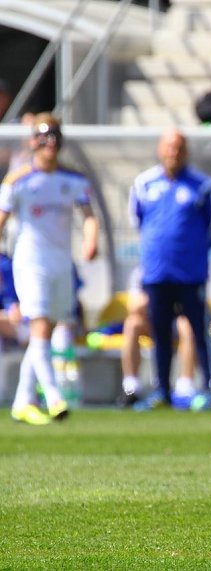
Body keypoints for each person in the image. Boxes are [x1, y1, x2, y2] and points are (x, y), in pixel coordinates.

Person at [0, 113, 100, 425]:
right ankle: (54, 398)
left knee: (52, 329)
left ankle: (21, 402)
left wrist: (90, 240)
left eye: (55, 135)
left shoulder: (73, 180)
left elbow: (89, 216)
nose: (50, 143)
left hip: (60, 264)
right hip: (31, 262)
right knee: (40, 327)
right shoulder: (18, 181)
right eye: (44, 136)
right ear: (33, 142)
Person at [129, 129, 211, 410]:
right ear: (160, 150)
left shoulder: (203, 186)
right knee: (160, 332)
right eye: (169, 147)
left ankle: (209, 387)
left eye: (179, 148)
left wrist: (191, 252)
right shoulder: (144, 183)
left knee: (199, 329)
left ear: (187, 152)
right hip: (157, 274)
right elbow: (137, 221)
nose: (174, 153)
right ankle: (162, 390)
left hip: (191, 274)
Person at [118, 266, 198, 409]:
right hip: (150, 321)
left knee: (187, 326)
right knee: (132, 324)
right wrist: (158, 296)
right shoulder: (141, 272)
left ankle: (185, 387)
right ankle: (131, 386)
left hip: (174, 321)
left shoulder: (181, 270)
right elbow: (134, 306)